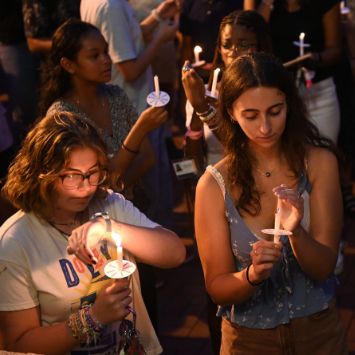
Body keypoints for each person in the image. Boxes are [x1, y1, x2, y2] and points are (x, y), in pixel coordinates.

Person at [194, 52, 347, 354]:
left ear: (290, 104)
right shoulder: (213, 185)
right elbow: (217, 287)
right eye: (251, 116)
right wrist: (250, 276)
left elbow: (325, 267)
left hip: (318, 331)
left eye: (275, 111)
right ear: (231, 113)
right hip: (248, 339)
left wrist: (297, 234)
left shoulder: (319, 163)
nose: (265, 127)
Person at [0, 111, 186, 354]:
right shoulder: (15, 241)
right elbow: (18, 342)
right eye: (72, 176)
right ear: (41, 174)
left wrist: (108, 227)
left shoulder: (108, 205)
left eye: (93, 172)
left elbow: (174, 253)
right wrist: (93, 318)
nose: (87, 186)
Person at [40, 19, 166, 194]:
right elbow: (96, 184)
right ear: (68, 65)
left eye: (106, 52)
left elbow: (148, 158)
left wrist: (116, 188)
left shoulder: (115, 95)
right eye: (94, 56)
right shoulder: (62, 117)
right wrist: (140, 129)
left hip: (131, 207)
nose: (106, 60)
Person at [182, 10, 272, 170]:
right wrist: (198, 110)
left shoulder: (269, 92)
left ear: (260, 46)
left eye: (243, 44)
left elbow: (248, 151)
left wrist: (205, 111)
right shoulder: (204, 93)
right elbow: (190, 163)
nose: (233, 52)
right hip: (214, 182)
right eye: (227, 45)